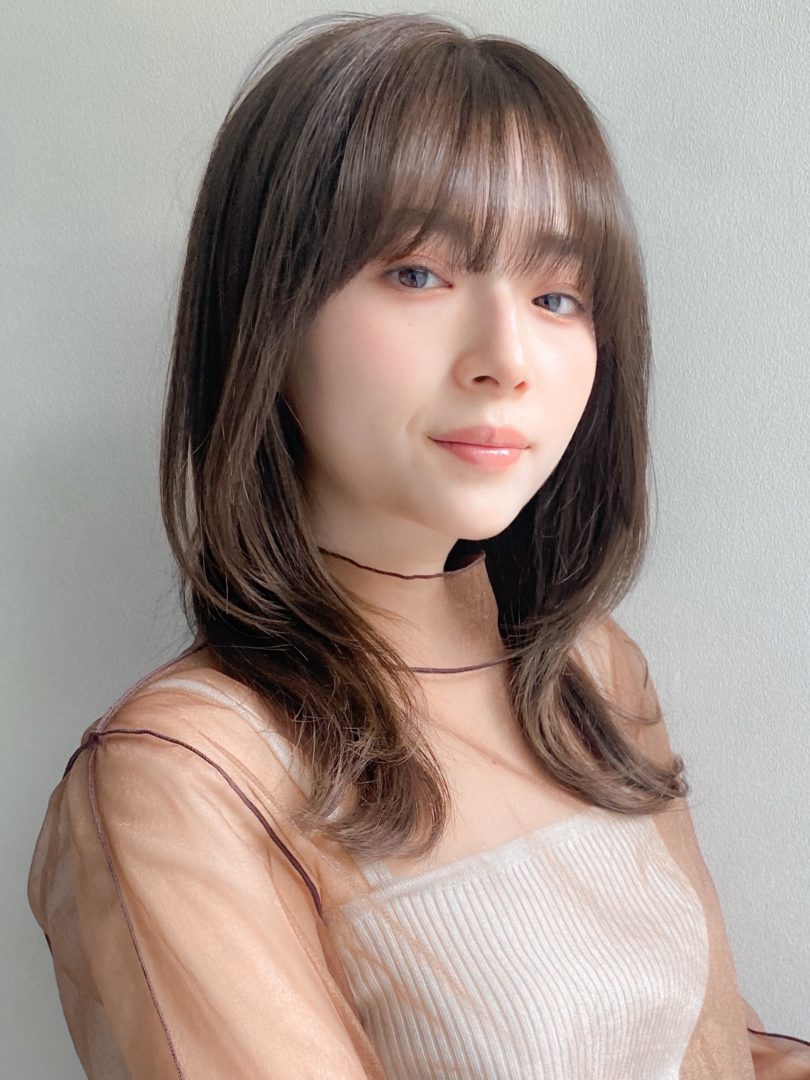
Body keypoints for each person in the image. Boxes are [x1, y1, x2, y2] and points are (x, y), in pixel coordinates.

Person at [27, 12, 810, 1079]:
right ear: (268, 313)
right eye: (418, 274)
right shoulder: (189, 773)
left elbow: (718, 1051)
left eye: (558, 295)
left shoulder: (589, 671)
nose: (507, 358)